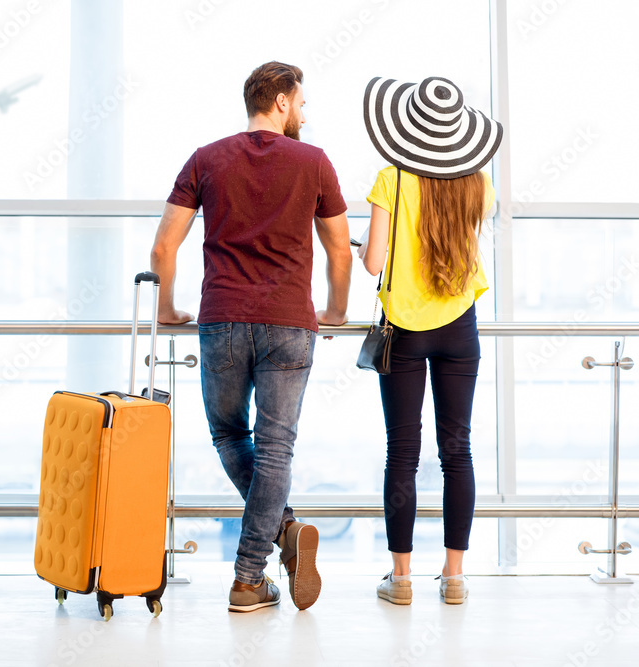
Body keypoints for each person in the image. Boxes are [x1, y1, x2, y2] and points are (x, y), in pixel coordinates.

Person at [149, 61, 353, 612]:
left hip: (222, 320)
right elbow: (339, 249)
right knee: (276, 447)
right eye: (302, 103)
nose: (304, 113)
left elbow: (164, 248)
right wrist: (335, 311)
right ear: (282, 102)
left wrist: (168, 309)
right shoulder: (314, 162)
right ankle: (252, 573)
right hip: (290, 321)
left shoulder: (206, 159)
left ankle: (270, 553)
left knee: (227, 434)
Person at [357, 76, 503, 605]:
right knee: (456, 451)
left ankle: (400, 580)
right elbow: (457, 245)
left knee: (403, 451)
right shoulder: (478, 183)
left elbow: (374, 262)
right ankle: (456, 576)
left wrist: (370, 249)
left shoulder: (389, 179)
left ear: (410, 128)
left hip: (405, 331)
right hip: (460, 327)